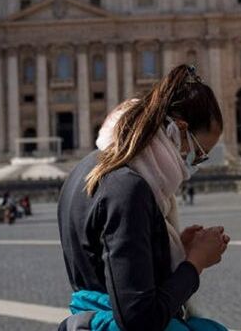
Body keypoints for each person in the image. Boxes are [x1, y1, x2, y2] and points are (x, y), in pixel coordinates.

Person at [57, 65, 230, 331]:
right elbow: (139, 319)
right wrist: (195, 263)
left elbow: (111, 265)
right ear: (180, 131)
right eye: (200, 153)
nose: (196, 164)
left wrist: (167, 247)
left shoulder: (85, 168)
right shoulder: (128, 187)